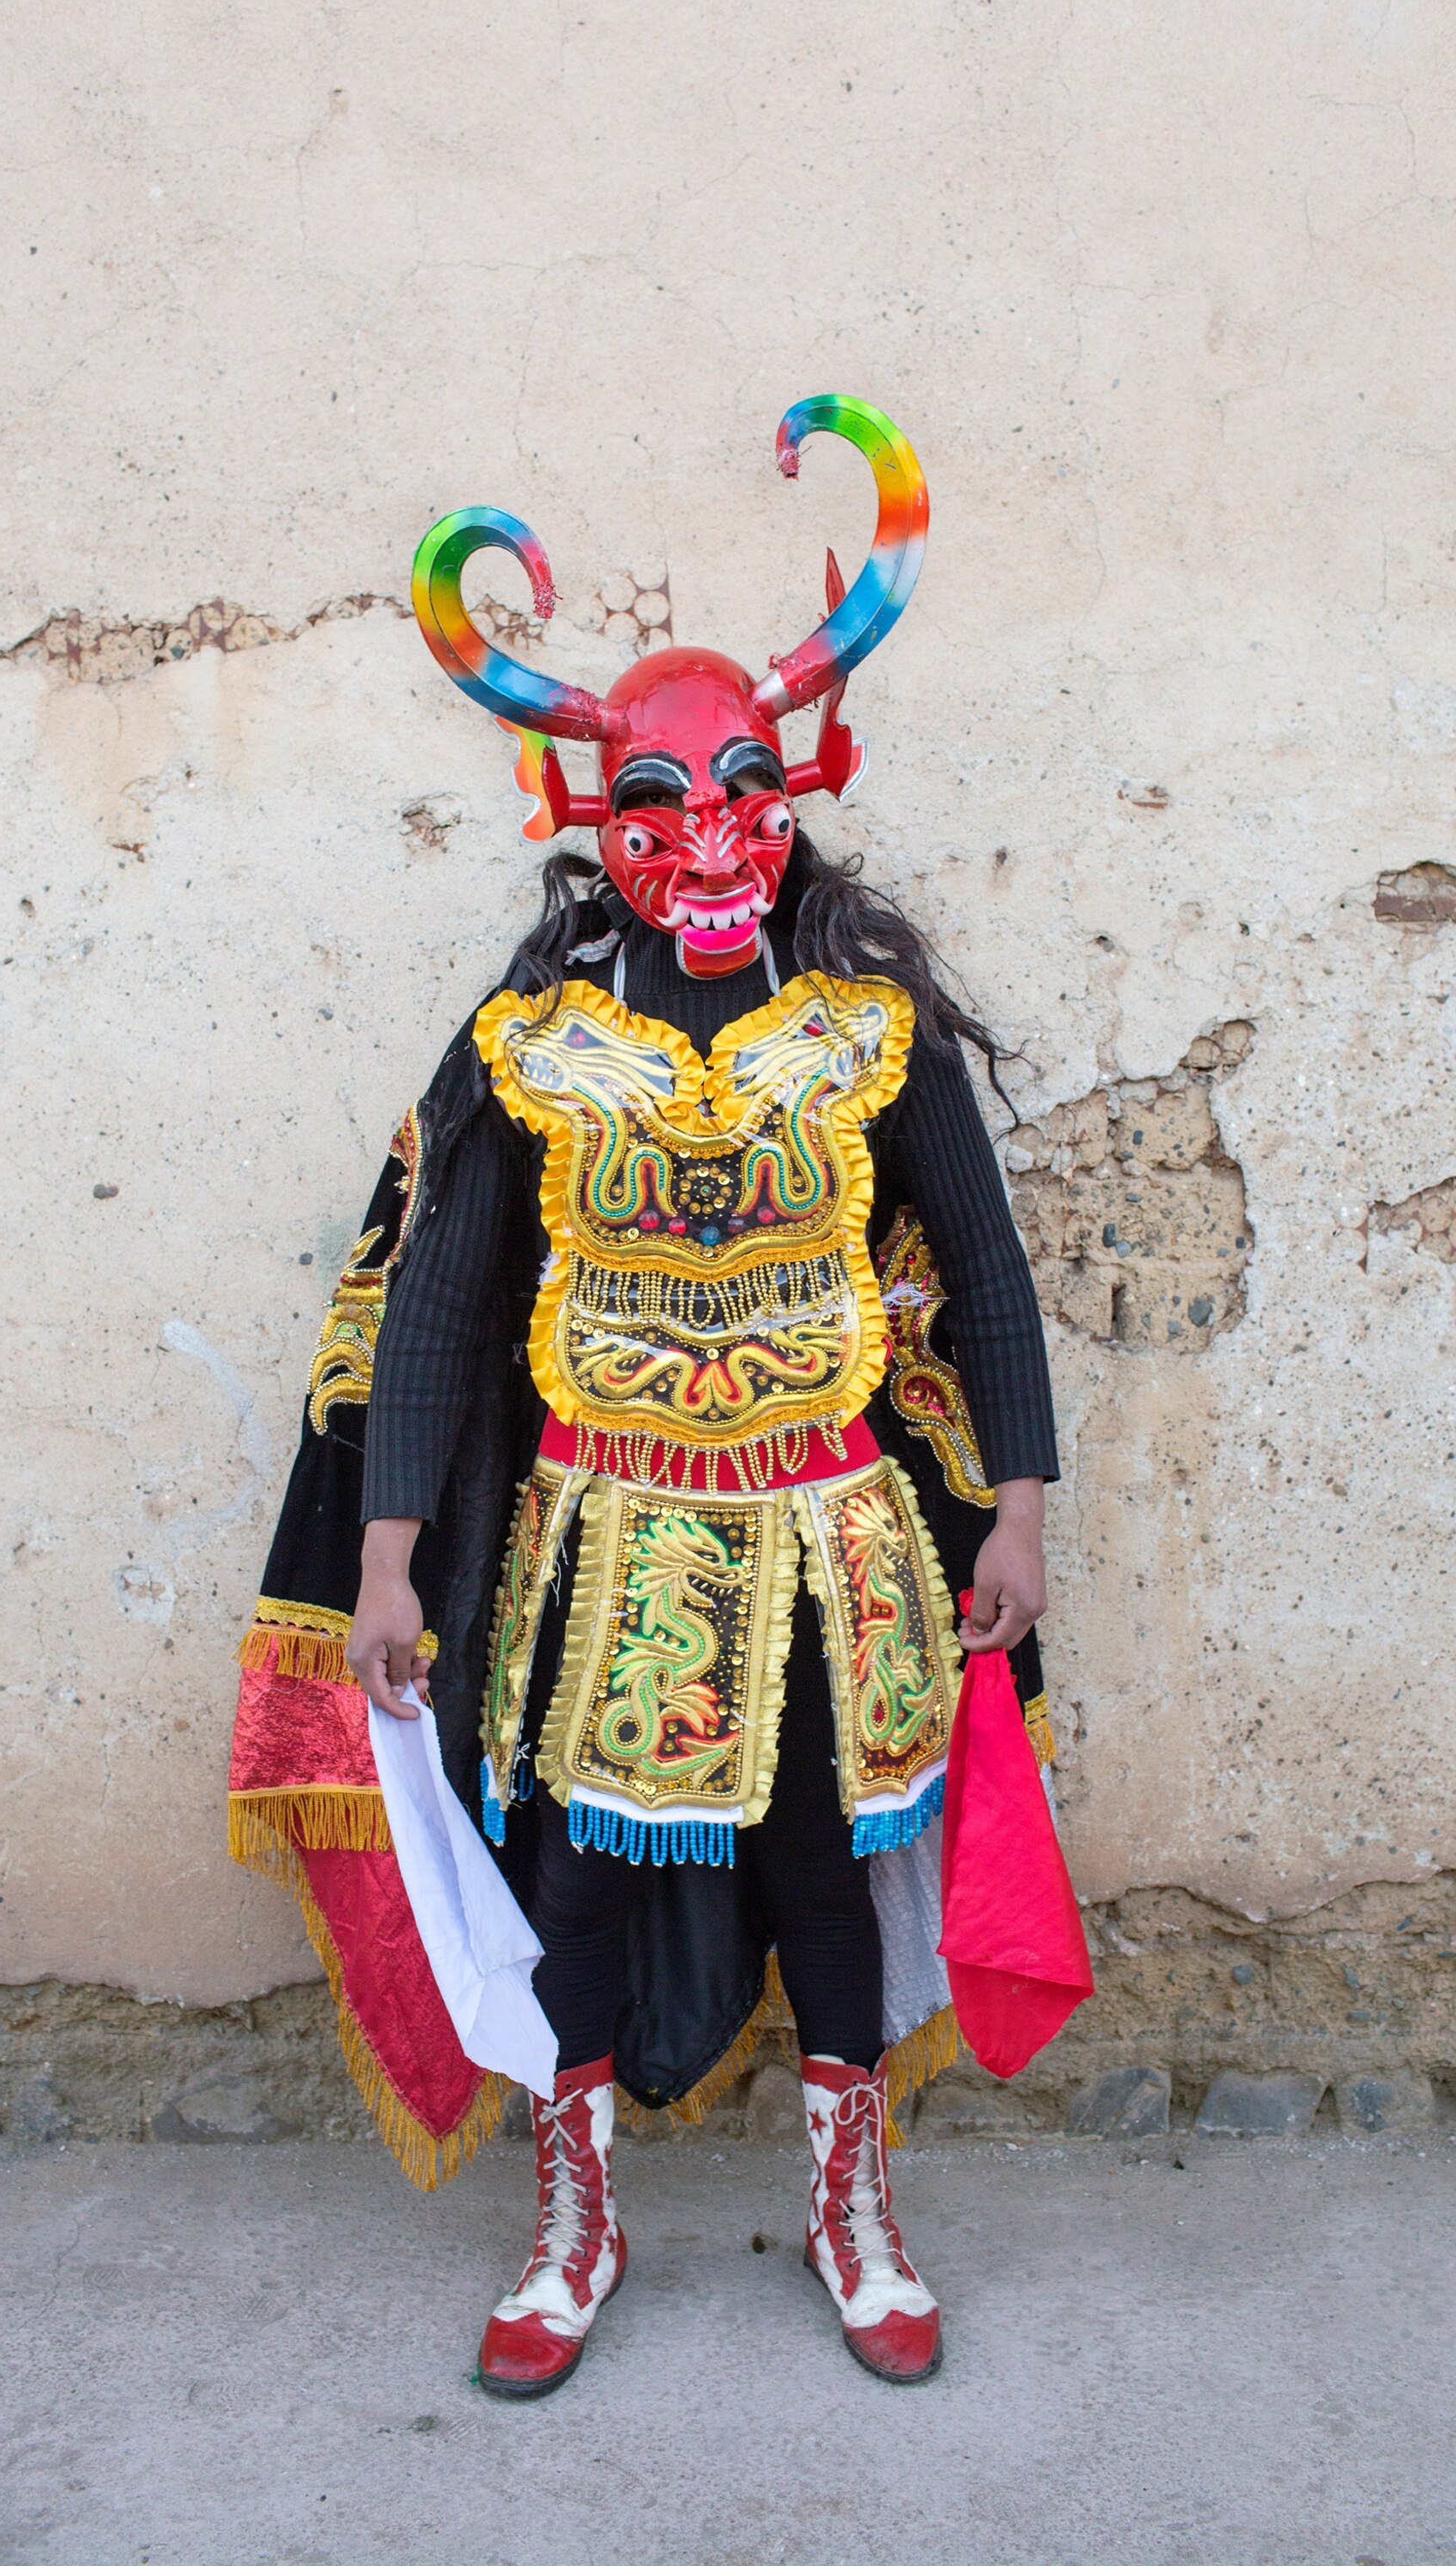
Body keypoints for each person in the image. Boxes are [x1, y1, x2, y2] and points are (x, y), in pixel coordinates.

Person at [228, 396, 1066, 2399]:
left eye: (743, 793)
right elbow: (437, 1315)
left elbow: (985, 1273)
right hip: (601, 1536)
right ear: (587, 809)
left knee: (819, 1870)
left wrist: (1022, 1513)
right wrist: (391, 1562)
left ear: (803, 783)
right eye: (660, 801)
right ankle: (574, 2226)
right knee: (577, 1878)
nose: (704, 839)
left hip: (831, 1534)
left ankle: (854, 2216)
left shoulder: (869, 1026)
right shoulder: (532, 1037)